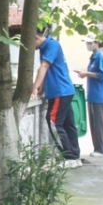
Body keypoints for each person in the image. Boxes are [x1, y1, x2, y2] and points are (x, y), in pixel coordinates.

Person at [32, 26, 81, 166]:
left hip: (60, 91)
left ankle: (69, 156)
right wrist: (41, 88)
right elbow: (45, 69)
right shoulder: (45, 47)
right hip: (64, 90)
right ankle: (75, 156)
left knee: (53, 122)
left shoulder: (52, 45)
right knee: (68, 124)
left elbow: (44, 67)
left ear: (36, 38)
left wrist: (35, 87)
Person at [73, 39, 103, 156]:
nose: (88, 45)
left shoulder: (101, 57)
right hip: (92, 94)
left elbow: (102, 75)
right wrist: (85, 73)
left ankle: (102, 149)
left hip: (99, 95)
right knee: (94, 123)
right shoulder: (93, 57)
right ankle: (97, 148)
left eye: (91, 42)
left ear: (97, 43)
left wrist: (87, 74)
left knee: (99, 123)